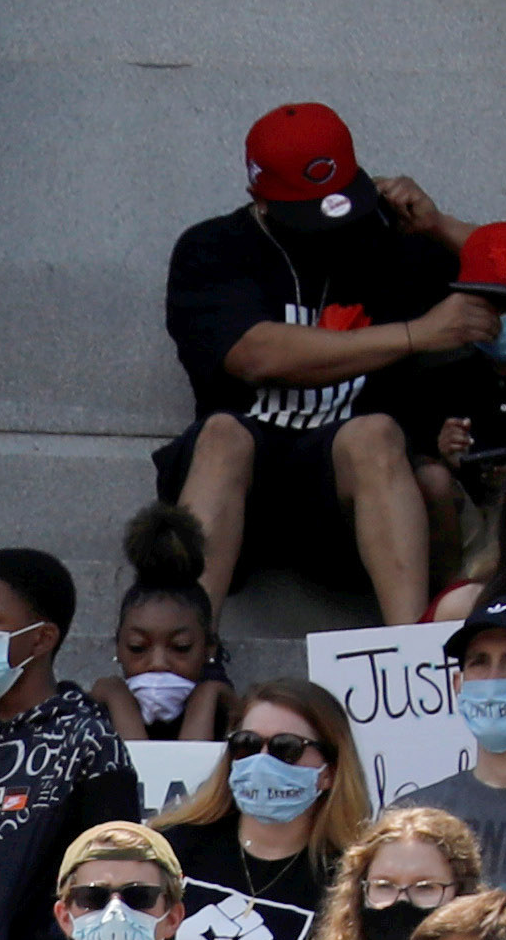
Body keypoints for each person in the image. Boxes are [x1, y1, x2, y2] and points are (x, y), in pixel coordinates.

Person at [155, 104, 468, 629]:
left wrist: (440, 226)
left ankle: (408, 660)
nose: (327, 226)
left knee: (374, 434)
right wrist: (416, 335)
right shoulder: (212, 248)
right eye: (308, 213)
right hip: (244, 493)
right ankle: (187, 652)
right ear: (259, 197)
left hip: (346, 497)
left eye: (338, 204)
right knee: (223, 433)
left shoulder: (387, 239)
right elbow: (254, 354)